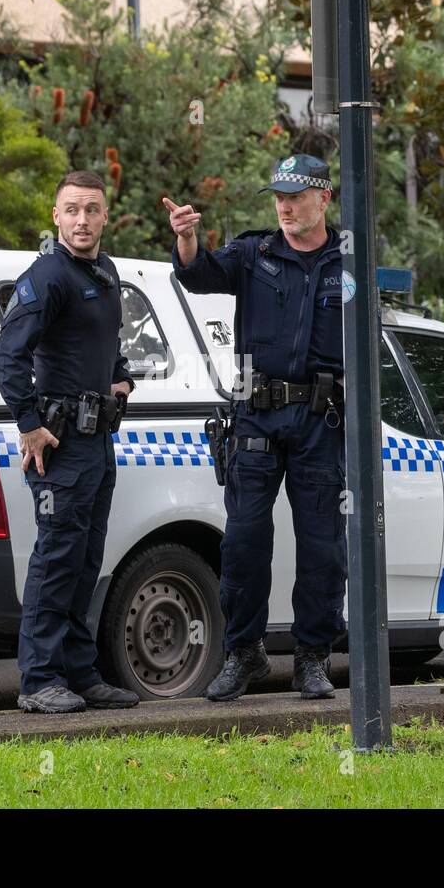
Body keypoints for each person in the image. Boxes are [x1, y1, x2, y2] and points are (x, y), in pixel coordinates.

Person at [164, 153, 346, 701]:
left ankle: (312, 659)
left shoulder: (350, 263)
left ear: (324, 198)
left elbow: (365, 349)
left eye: (295, 196)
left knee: (323, 548)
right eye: (279, 197)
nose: (285, 206)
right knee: (243, 543)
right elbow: (198, 276)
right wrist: (188, 239)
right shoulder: (255, 252)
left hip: (321, 418)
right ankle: (244, 653)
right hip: (257, 415)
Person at [0, 169, 140, 714]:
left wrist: (121, 374)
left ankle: (79, 674)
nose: (82, 219)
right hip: (60, 449)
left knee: (85, 562)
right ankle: (38, 680)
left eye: (92, 209)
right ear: (55, 216)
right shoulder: (47, 276)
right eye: (72, 209)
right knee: (55, 561)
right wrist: (29, 424)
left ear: (105, 215)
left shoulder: (104, 271)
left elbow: (107, 343)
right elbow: (7, 357)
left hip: (98, 443)